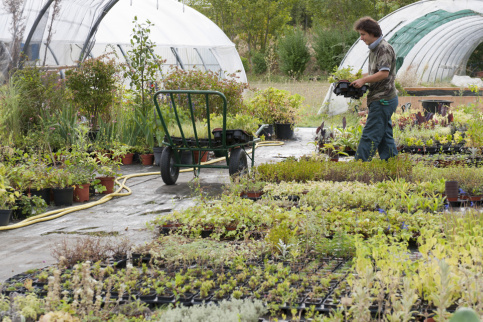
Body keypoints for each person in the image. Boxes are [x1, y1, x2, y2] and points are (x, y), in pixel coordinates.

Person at [350, 17, 398, 161]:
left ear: (372, 33)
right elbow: (375, 72)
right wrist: (356, 77)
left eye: (363, 34)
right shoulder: (375, 48)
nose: (361, 38)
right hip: (381, 98)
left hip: (383, 99)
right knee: (384, 136)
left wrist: (363, 80)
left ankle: (360, 165)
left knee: (370, 134)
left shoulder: (383, 48)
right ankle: (391, 163)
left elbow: (384, 73)